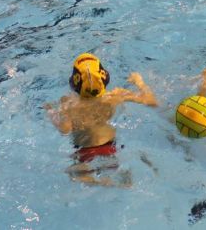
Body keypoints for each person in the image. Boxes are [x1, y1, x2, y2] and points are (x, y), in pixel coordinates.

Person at [45, 53, 157, 186]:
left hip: (84, 154)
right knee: (126, 176)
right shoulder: (114, 96)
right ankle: (119, 183)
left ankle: (95, 181)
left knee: (73, 174)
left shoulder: (69, 104)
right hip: (111, 149)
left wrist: (51, 112)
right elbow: (152, 101)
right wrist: (139, 82)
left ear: (74, 83)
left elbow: (65, 129)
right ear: (104, 77)